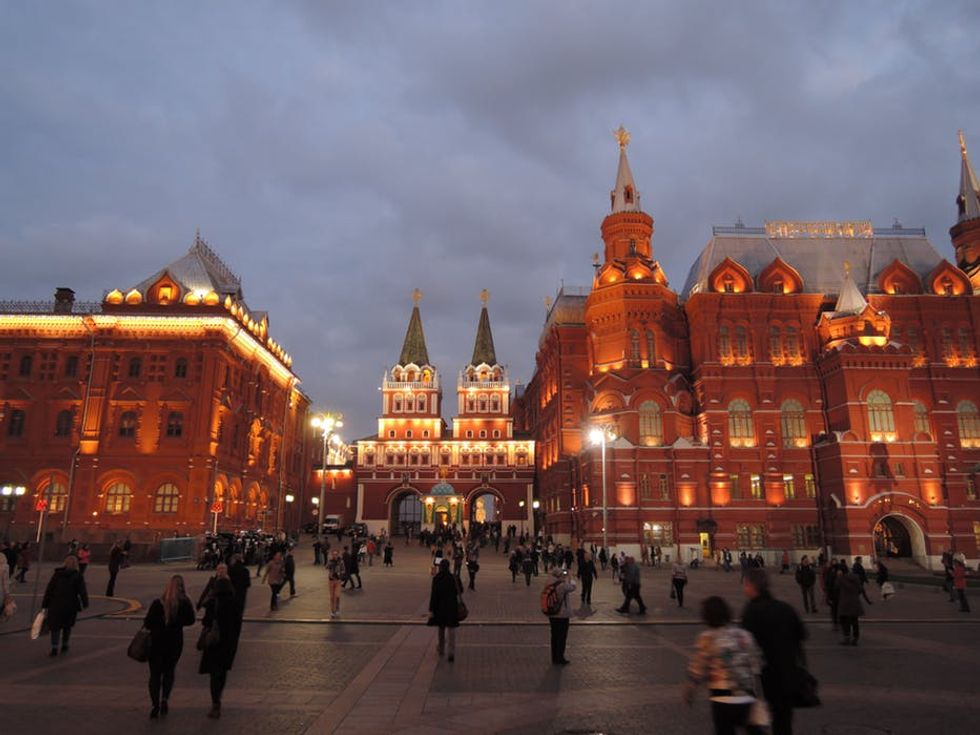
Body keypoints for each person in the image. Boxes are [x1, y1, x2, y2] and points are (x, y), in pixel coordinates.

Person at [684, 596, 765, 735]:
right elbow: (757, 662)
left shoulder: (707, 638)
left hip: (722, 697)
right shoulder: (743, 635)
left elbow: (697, 669)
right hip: (746, 694)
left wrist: (690, 691)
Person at [741, 568, 807, 735]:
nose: (744, 588)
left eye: (746, 585)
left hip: (764, 677)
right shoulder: (786, 608)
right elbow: (801, 635)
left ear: (752, 586)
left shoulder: (751, 611)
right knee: (783, 721)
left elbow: (744, 646)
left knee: (753, 719)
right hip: (789, 673)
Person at [144, 575, 195, 718]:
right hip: (174, 643)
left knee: (154, 675)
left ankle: (155, 705)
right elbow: (191, 620)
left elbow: (148, 623)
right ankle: (165, 698)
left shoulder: (157, 603)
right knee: (169, 671)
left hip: (157, 643)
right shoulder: (184, 603)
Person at [198, 576, 239, 719]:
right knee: (222, 671)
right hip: (228, 643)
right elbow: (237, 626)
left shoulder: (213, 603)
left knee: (214, 674)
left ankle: (215, 702)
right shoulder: (234, 604)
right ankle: (218, 696)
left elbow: (206, 622)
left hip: (214, 643)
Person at [41, 555, 89, 657]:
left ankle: (54, 647)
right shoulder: (77, 576)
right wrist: (85, 603)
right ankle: (65, 644)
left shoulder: (57, 574)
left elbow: (49, 590)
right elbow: (82, 591)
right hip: (70, 605)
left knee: (55, 626)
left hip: (56, 604)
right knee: (67, 626)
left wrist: (45, 604)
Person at [428, 559, 463, 661]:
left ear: (440, 567)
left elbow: (433, 596)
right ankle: (451, 651)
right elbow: (460, 590)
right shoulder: (454, 578)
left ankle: (441, 648)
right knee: (451, 629)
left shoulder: (437, 579)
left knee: (441, 628)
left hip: (440, 608)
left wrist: (431, 609)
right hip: (452, 607)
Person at [546, 567, 576, 665]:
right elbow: (572, 587)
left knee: (554, 636)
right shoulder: (561, 585)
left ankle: (554, 657)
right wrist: (570, 577)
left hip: (552, 613)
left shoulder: (548, 583)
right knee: (562, 637)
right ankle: (560, 657)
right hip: (562, 614)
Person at [836, 567, 864, 645]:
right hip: (855, 602)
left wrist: (838, 577)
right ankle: (855, 638)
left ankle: (847, 637)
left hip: (845, 603)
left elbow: (836, 587)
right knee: (854, 621)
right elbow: (860, 589)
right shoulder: (856, 578)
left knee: (845, 621)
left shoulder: (841, 579)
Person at [327, 549, 345, 617]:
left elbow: (343, 570)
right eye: (333, 554)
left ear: (338, 554)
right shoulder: (330, 561)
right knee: (332, 597)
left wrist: (340, 574)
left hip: (337, 580)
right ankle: (333, 611)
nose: (335, 555)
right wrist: (330, 563)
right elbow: (326, 567)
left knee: (337, 596)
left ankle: (337, 609)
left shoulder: (341, 561)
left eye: (336, 554)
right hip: (331, 580)